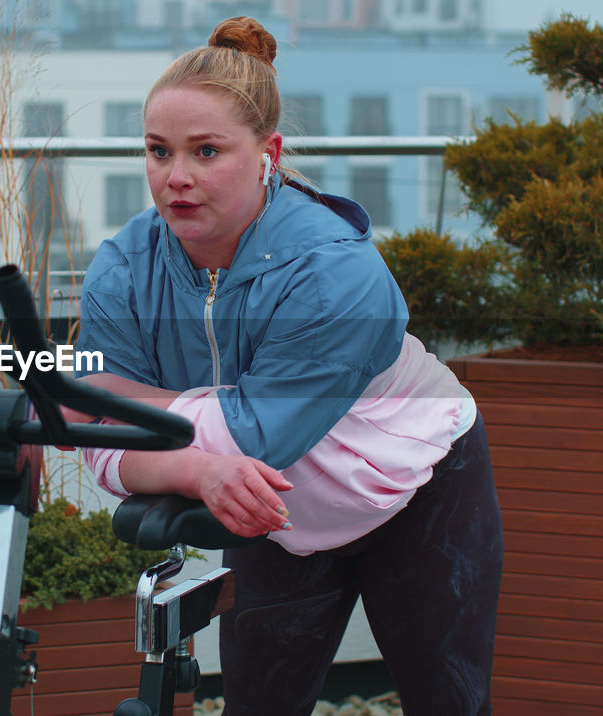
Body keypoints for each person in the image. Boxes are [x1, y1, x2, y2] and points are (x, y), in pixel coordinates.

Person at [67, 16, 504, 715]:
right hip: (267, 501)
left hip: (418, 481)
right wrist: (192, 466)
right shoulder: (123, 269)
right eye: (158, 151)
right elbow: (93, 420)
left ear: (267, 152)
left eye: (206, 152)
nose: (175, 178)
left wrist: (106, 403)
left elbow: (249, 433)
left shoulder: (334, 271)